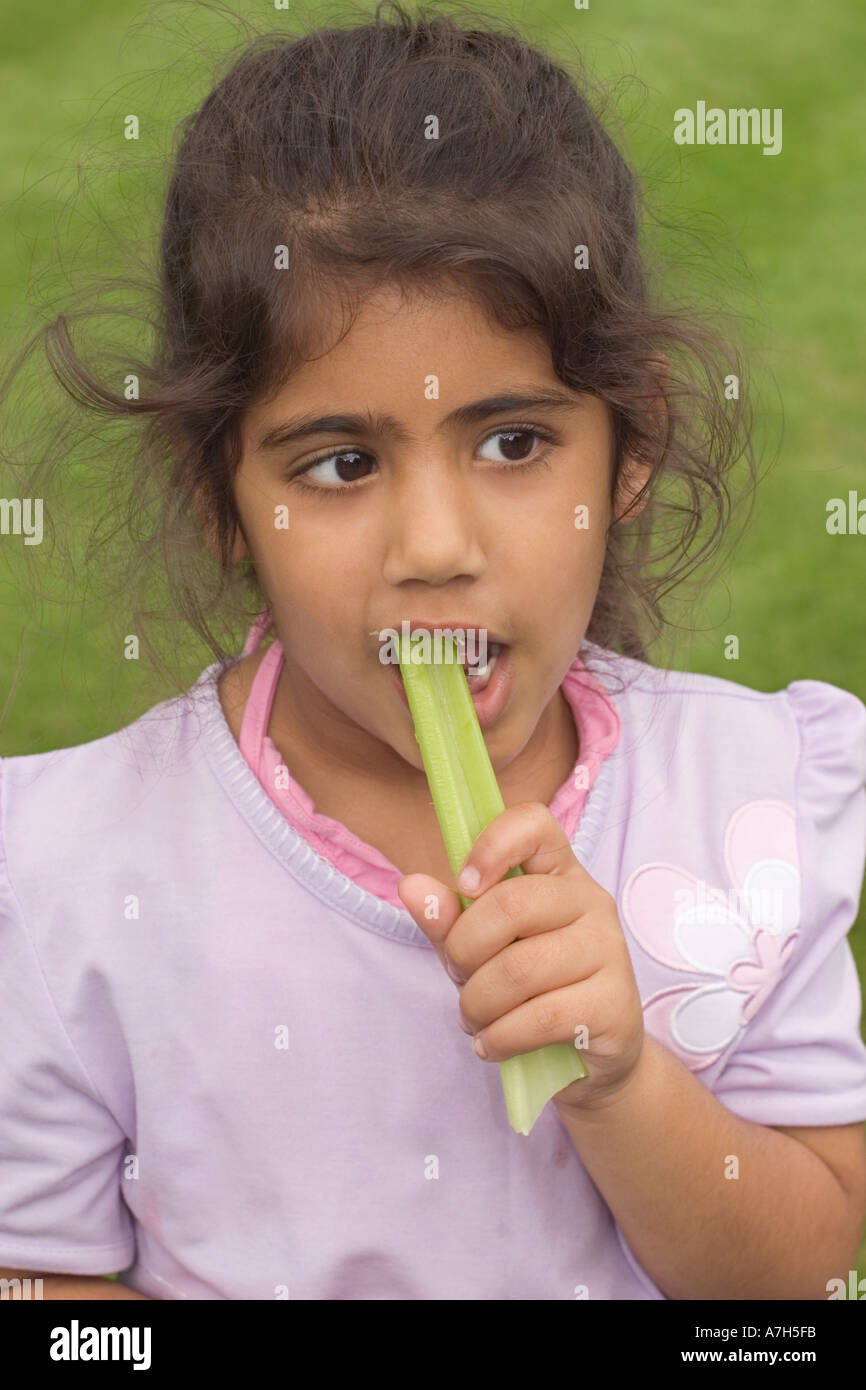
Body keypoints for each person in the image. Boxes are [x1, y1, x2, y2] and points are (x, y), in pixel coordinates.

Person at [1, 2, 864, 1301]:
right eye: (340, 464)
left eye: (512, 442)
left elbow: (798, 1269)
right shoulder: (71, 873)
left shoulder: (742, 801)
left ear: (627, 448)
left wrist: (623, 1076)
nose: (434, 543)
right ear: (217, 497)